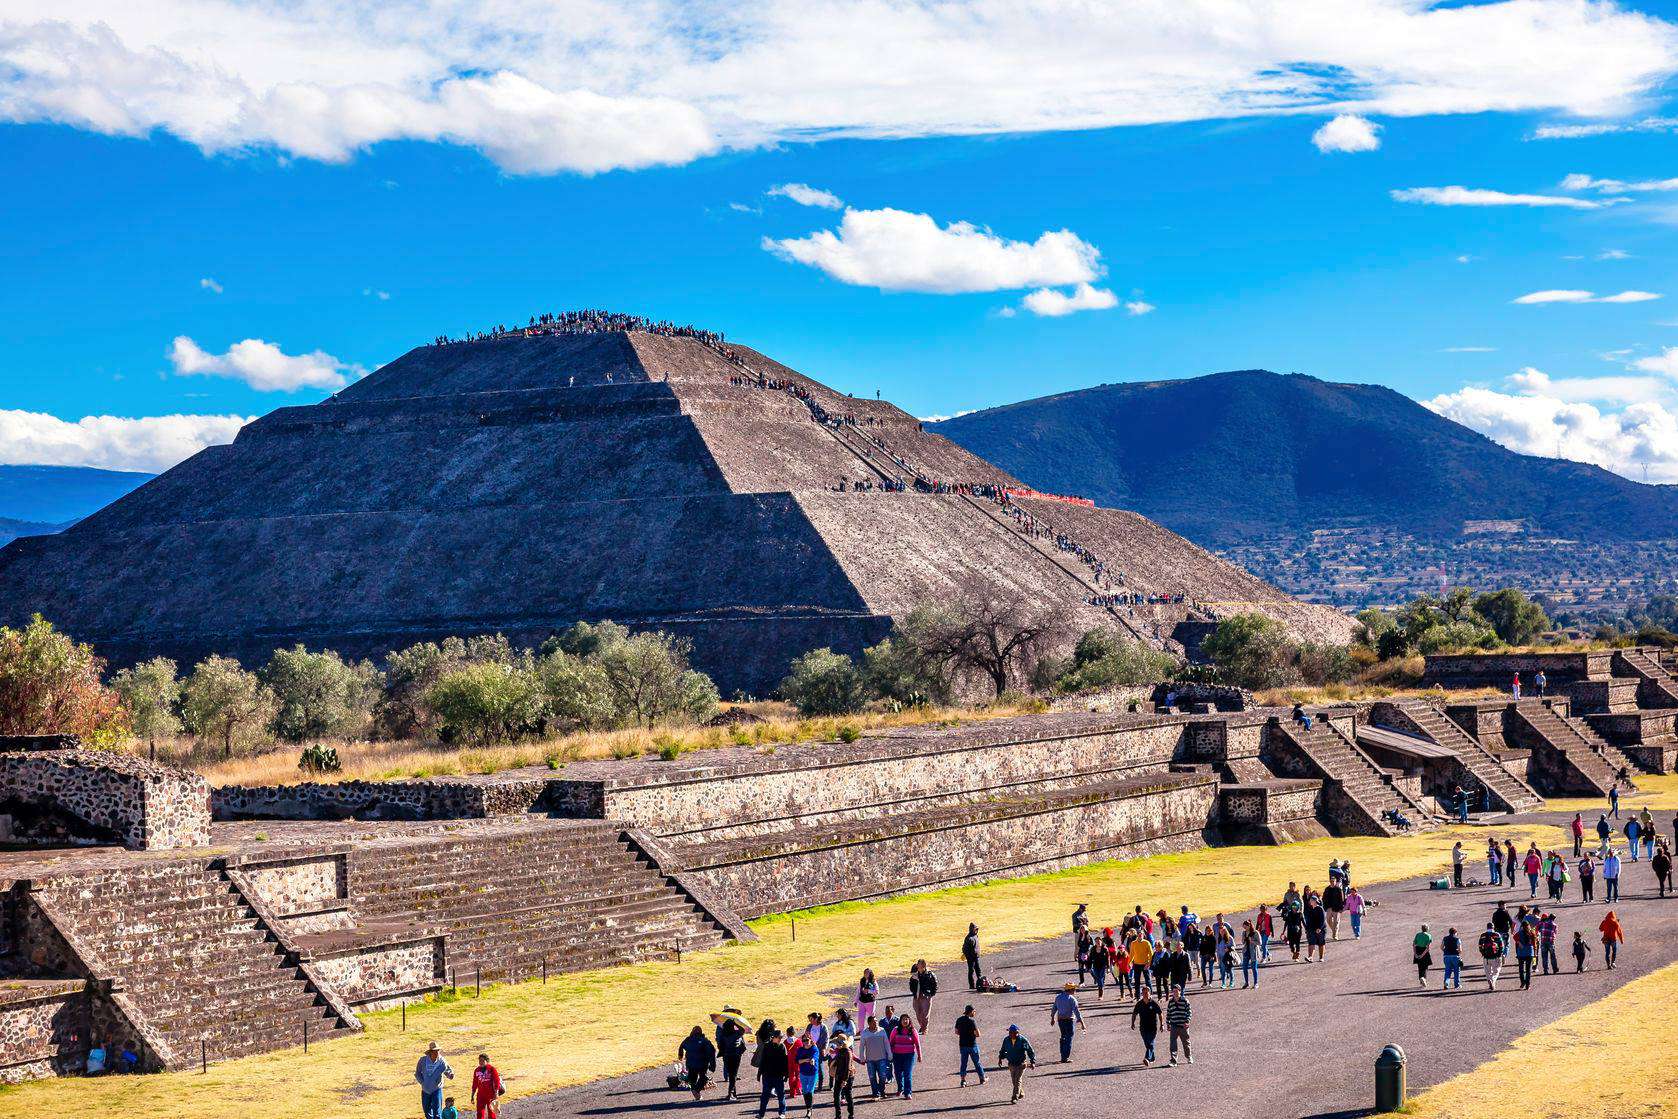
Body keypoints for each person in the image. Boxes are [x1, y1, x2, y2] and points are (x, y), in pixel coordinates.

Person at [997, 1025, 1035, 1104]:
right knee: (1014, 1081)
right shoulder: (1006, 1040)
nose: (1009, 1034)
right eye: (1009, 1032)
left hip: (1021, 1063)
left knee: (1017, 1080)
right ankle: (1021, 1093)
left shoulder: (1022, 1040)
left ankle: (1015, 1097)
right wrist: (1000, 1058)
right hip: (1011, 1063)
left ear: (1016, 1033)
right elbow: (1003, 1049)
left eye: (1011, 1032)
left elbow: (1030, 1050)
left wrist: (1032, 1061)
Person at [757, 1028, 790, 1117]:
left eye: (781, 1037)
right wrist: (759, 1073)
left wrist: (786, 1074)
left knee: (781, 1095)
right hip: (767, 1076)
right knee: (765, 1096)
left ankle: (782, 1113)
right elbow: (763, 1060)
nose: (780, 1039)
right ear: (773, 1037)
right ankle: (761, 1114)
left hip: (778, 1076)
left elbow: (785, 1061)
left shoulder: (782, 1047)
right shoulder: (767, 1046)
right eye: (779, 1037)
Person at [416, 1042, 455, 1119]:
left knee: (437, 1113)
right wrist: (422, 1083)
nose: (436, 1053)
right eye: (434, 1051)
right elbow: (417, 1073)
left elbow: (447, 1070)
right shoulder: (423, 1060)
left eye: (437, 1051)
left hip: (437, 1089)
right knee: (427, 1111)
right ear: (430, 1052)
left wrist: (450, 1075)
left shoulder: (441, 1061)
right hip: (425, 1090)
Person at [680, 1027, 717, 1102]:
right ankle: (697, 1091)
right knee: (703, 1078)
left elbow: (681, 1046)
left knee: (692, 1079)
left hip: (691, 1063)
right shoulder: (705, 1041)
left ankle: (695, 1093)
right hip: (702, 1063)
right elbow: (712, 1052)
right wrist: (712, 1065)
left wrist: (680, 1055)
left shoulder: (688, 1040)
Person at [856, 1017, 890, 1099]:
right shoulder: (865, 1033)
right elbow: (862, 1046)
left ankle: (882, 1091)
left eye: (876, 1021)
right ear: (869, 1023)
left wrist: (889, 1054)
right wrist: (862, 1057)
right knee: (872, 1077)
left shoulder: (882, 1030)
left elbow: (886, 1043)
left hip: (882, 1058)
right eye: (874, 1022)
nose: (876, 1023)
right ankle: (875, 1093)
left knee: (882, 1076)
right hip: (870, 1059)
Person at [887, 1015, 920, 1099]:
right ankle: (900, 1088)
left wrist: (920, 1055)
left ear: (909, 1020)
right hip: (897, 1055)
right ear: (900, 1021)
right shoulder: (895, 1030)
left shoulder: (912, 1030)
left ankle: (907, 1092)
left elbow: (917, 1044)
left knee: (907, 1074)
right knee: (898, 1073)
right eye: (903, 1019)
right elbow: (891, 1043)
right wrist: (890, 1054)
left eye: (906, 1019)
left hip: (909, 1056)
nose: (905, 1021)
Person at [1050, 982, 1084, 1062]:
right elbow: (1076, 1011)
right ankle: (1065, 1057)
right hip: (1069, 1020)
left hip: (1060, 1020)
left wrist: (1052, 1018)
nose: (1075, 990)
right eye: (1074, 989)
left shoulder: (1058, 997)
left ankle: (1062, 1056)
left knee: (1063, 1037)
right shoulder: (1072, 999)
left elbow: (1054, 1008)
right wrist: (1082, 1023)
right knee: (1069, 1038)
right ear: (1071, 990)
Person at [954, 1005, 984, 1086]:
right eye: (974, 1011)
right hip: (972, 1045)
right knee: (977, 1062)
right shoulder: (972, 1022)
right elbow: (978, 1034)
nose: (974, 1013)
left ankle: (963, 1080)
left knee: (964, 1063)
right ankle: (982, 1078)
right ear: (971, 1012)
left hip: (963, 1045)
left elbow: (956, 1031)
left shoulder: (959, 1020)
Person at [827, 1035, 856, 1119]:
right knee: (836, 1095)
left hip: (847, 1076)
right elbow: (837, 1062)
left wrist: (845, 1080)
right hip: (839, 1075)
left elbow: (848, 1067)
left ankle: (851, 1114)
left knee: (848, 1094)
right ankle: (838, 1115)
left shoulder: (848, 1052)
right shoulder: (839, 1050)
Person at [1165, 985, 1193, 1066]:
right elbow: (1169, 1013)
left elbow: (1189, 1012)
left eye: (1177, 991)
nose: (1175, 993)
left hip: (1183, 1025)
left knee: (1186, 1042)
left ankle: (1189, 1056)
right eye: (1174, 991)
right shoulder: (1171, 1002)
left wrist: (1187, 1021)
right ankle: (1173, 1061)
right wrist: (1168, 1023)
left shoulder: (1185, 1001)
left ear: (1180, 991)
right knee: (1173, 1043)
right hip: (1174, 1025)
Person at [470, 1054, 503, 1119]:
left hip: (491, 1095)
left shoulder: (492, 1069)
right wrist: (472, 1095)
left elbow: (497, 1082)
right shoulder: (477, 1070)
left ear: (487, 1061)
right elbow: (475, 1083)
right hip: (480, 1095)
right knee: (479, 1113)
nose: (480, 1062)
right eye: (479, 1060)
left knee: (491, 1113)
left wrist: (496, 1094)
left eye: (482, 1060)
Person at [909, 961, 936, 1031]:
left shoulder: (929, 974)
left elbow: (934, 984)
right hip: (917, 996)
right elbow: (911, 984)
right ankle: (922, 1025)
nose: (918, 967)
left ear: (924, 966)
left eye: (920, 966)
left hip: (926, 996)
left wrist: (931, 994)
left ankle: (924, 1028)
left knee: (925, 1013)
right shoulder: (915, 975)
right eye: (918, 966)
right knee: (918, 1012)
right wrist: (913, 992)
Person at [1478, 924, 1505, 990]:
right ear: (1493, 927)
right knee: (1496, 971)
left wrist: (1483, 953)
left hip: (1486, 957)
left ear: (1487, 927)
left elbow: (1480, 946)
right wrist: (1500, 954)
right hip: (1496, 956)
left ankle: (1489, 980)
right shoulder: (1497, 935)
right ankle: (1493, 981)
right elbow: (1501, 945)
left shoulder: (1483, 935)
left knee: (1487, 971)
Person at [1303, 892, 1328, 962]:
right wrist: (1307, 929)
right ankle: (1310, 957)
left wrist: (1319, 928)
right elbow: (1307, 920)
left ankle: (1321, 957)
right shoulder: (1309, 909)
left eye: (1311, 900)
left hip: (1321, 929)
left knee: (1321, 943)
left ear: (1315, 901)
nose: (1310, 902)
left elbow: (1323, 919)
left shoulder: (1320, 909)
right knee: (1311, 943)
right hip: (1311, 929)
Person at [1513, 919, 1536, 990]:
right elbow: (1534, 944)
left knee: (1521, 969)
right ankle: (1527, 985)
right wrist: (1535, 954)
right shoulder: (1532, 933)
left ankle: (1522, 982)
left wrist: (1519, 943)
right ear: (1528, 926)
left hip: (1521, 953)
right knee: (1528, 970)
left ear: (1522, 926)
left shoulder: (1519, 933)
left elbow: (1514, 937)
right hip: (1529, 953)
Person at [1539, 911, 1559, 976]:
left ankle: (1545, 970)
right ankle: (1555, 969)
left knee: (1544, 957)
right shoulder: (1554, 925)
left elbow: (1539, 930)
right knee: (1553, 956)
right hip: (1550, 942)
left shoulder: (1543, 923)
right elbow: (1555, 933)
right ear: (1553, 919)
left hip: (1543, 941)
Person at [962, 924, 981, 990]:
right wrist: (968, 956)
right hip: (971, 958)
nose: (977, 930)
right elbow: (964, 949)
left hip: (976, 957)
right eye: (975, 929)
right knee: (971, 971)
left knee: (978, 970)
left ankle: (980, 982)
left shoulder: (976, 936)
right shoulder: (968, 938)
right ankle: (972, 985)